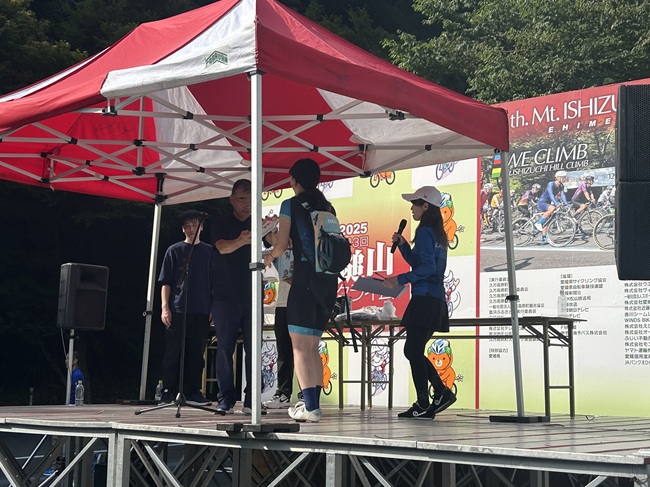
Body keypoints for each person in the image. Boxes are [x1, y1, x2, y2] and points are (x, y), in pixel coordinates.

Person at [263, 158, 337, 423]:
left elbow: (282, 245)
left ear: (293, 180)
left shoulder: (290, 204)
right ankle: (312, 404)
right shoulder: (327, 207)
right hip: (328, 283)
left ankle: (311, 408)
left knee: (300, 348)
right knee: (313, 346)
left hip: (304, 279)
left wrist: (270, 255)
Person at [382, 185, 456, 419]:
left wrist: (399, 279)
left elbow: (427, 268)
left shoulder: (425, 231)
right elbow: (423, 263)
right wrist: (404, 246)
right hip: (434, 299)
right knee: (413, 350)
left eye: (414, 204)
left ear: (426, 206)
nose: (411, 208)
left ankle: (428, 400)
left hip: (425, 299)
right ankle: (437, 394)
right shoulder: (437, 232)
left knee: (412, 350)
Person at [211, 179, 257, 414]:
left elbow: (274, 241)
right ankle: (226, 397)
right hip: (224, 295)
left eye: (251, 199)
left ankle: (252, 399)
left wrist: (272, 229)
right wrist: (242, 240)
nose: (247, 204)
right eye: (242, 199)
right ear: (232, 200)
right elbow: (222, 247)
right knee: (224, 348)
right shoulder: (221, 222)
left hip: (252, 295)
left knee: (254, 348)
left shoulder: (256, 222)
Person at [158, 209, 213, 406]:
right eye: (187, 226)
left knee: (197, 353)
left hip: (202, 309)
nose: (191, 229)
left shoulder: (209, 252)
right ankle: (167, 390)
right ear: (183, 229)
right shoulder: (174, 250)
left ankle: (194, 390)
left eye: (194, 225)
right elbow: (166, 281)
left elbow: (214, 282)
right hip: (178, 307)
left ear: (201, 227)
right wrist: (165, 307)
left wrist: (213, 308)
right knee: (173, 352)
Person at [262, 239, 296, 409]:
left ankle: (307, 395)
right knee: (283, 351)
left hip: (302, 304)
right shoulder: (277, 251)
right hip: (282, 303)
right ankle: (283, 393)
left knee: (304, 351)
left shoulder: (307, 248)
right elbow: (268, 239)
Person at [534, 170, 569, 243]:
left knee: (548, 220)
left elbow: (562, 195)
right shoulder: (551, 184)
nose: (564, 179)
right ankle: (538, 223)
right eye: (563, 177)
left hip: (547, 203)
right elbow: (551, 194)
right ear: (558, 177)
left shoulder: (561, 186)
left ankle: (544, 238)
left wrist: (566, 204)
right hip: (542, 202)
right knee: (553, 208)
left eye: (564, 177)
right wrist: (556, 203)